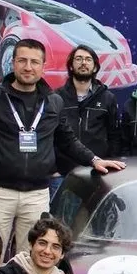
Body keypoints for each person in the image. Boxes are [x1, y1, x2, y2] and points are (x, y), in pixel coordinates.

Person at [0, 39, 125, 255]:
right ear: (13, 63)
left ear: (43, 66)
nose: (28, 67)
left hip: (37, 194)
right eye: (22, 61)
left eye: (34, 62)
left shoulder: (54, 102)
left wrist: (94, 160)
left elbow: (67, 140)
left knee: (30, 258)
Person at [52, 45, 121, 197]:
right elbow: (50, 135)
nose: (83, 63)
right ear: (71, 65)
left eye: (88, 59)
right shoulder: (56, 97)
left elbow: (115, 136)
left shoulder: (107, 98)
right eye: (79, 59)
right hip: (63, 175)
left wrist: (109, 165)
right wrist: (54, 168)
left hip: (97, 173)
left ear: (95, 66)